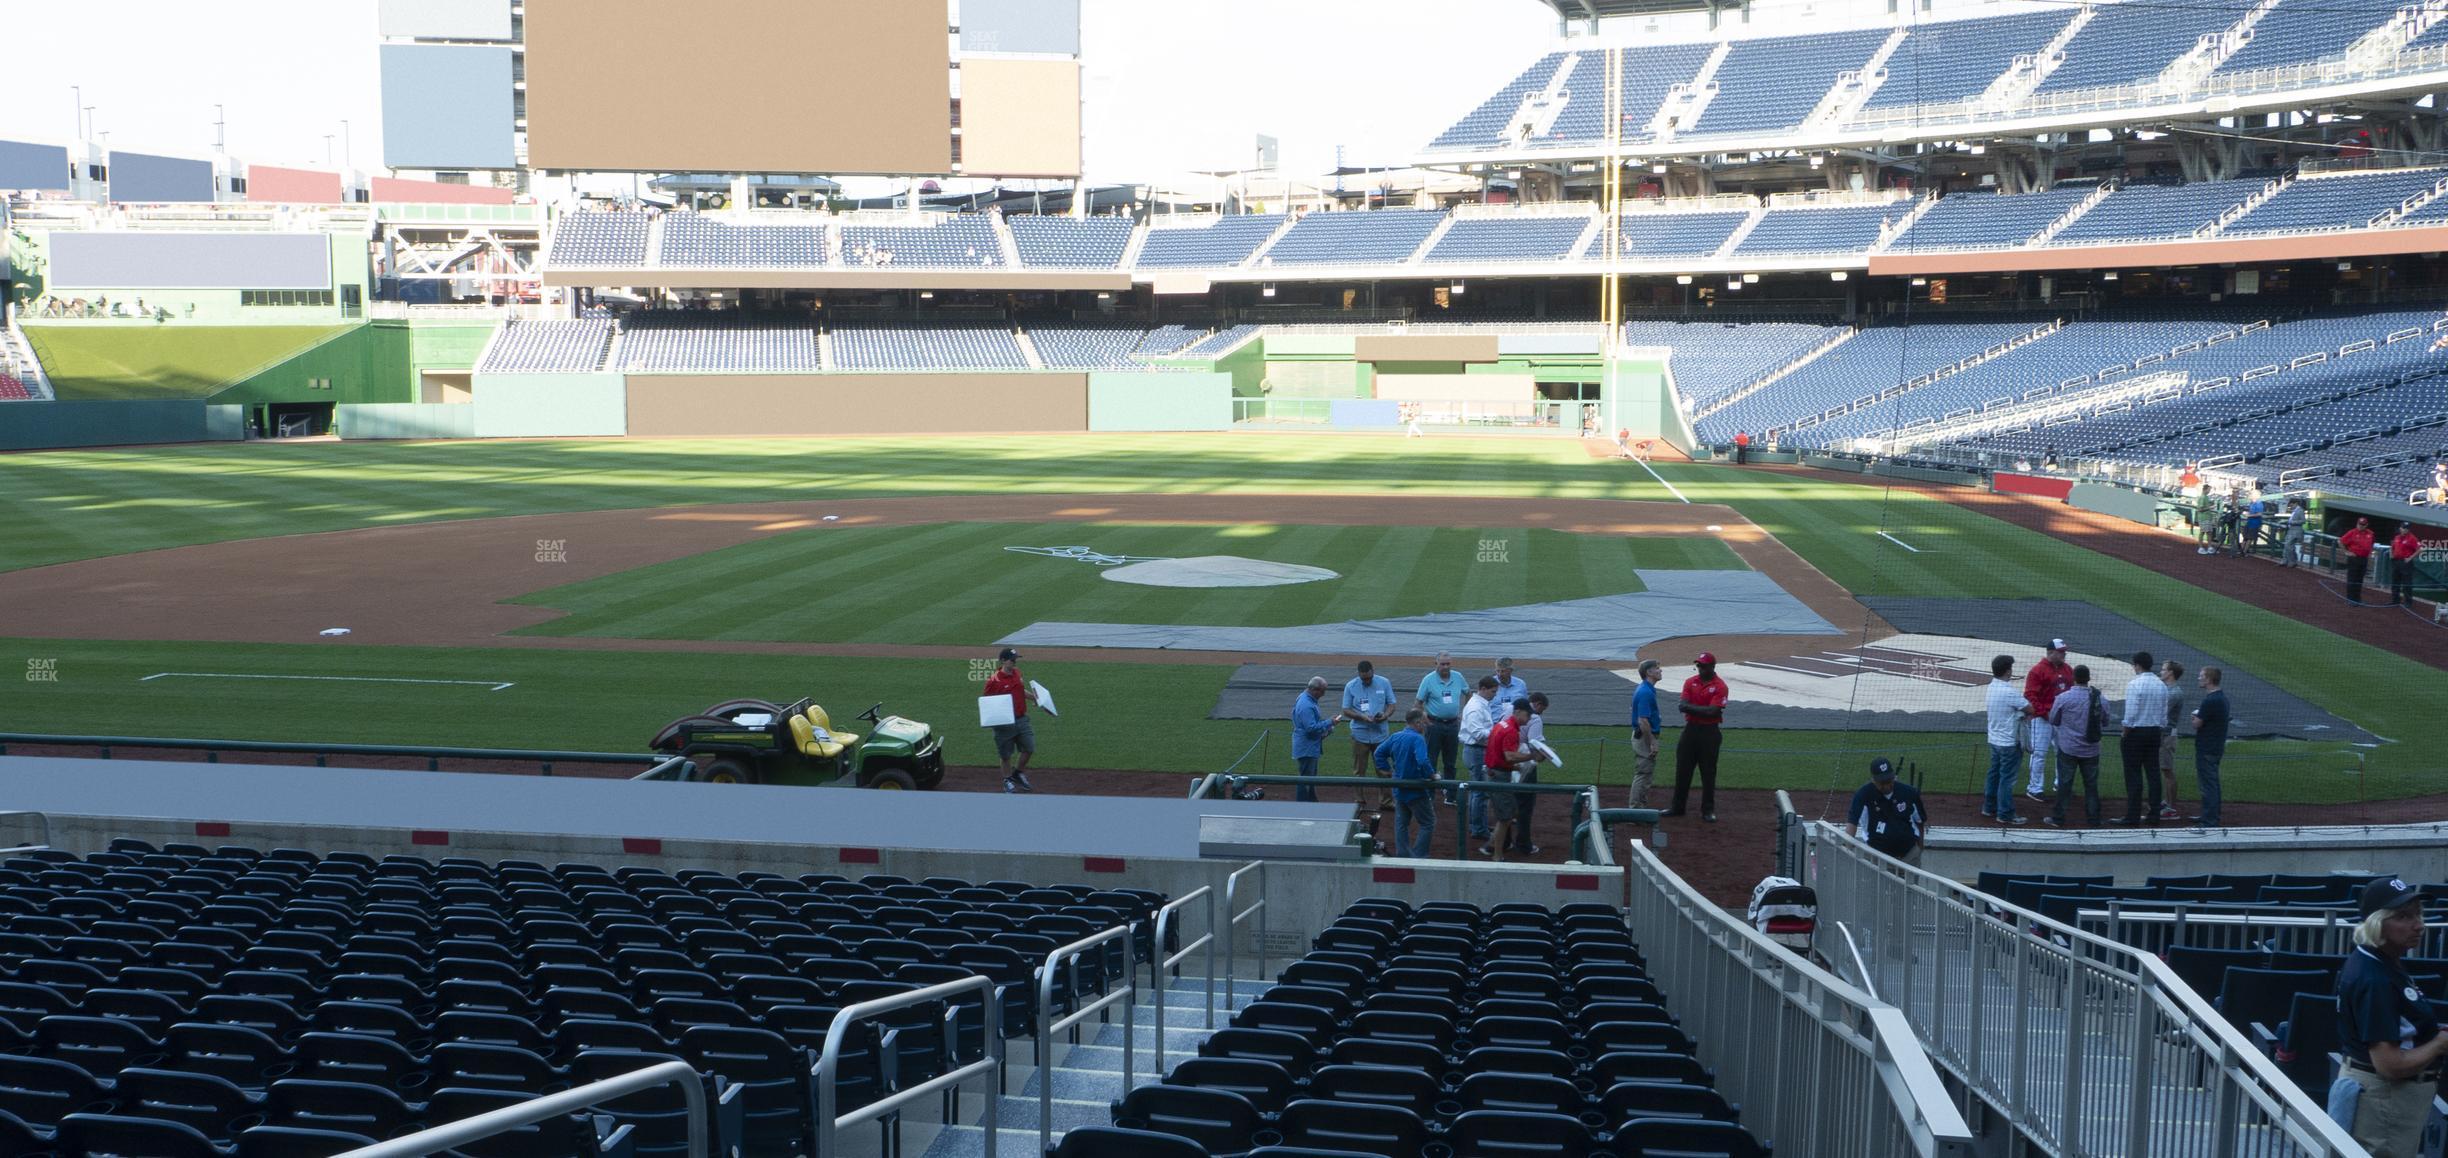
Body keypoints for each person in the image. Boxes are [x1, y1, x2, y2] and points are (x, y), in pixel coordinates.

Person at [2333, 877, 2446, 1155]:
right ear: (2377, 923)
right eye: (2404, 917)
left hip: (2387, 1103)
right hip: (2384, 1104)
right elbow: (2389, 1064)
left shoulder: (2378, 961)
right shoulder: (2375, 979)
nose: (2418, 925)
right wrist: (2440, 1044)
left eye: (2418, 914)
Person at [1667, 652, 1728, 822]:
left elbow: (1713, 712)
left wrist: (1691, 708)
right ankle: (1677, 807)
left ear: (1712, 667)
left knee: (1708, 772)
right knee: (1682, 770)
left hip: (1710, 732)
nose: (1700, 668)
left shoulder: (1720, 686)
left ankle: (1707, 810)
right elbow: (1683, 706)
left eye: (1703, 665)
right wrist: (1701, 710)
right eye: (1699, 665)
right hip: (1691, 730)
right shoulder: (1690, 682)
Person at [2044, 665, 2105, 828]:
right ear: (2089, 678)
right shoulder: (2100, 698)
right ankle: (2094, 820)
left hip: (2068, 748)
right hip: (2091, 750)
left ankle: (2058, 818)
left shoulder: (2063, 698)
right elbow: (2105, 721)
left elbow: (2053, 720)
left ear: (2073, 678)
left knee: (2065, 784)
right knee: (2091, 786)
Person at [2111, 651, 2166, 827]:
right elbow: (2164, 714)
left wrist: (2125, 732)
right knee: (2153, 773)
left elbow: (2131, 714)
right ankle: (2154, 814)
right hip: (2154, 732)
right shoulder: (2161, 685)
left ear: (2137, 665)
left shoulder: (2135, 684)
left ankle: (2132, 816)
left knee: (2133, 775)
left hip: (2136, 734)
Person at [1373, 708, 1437, 858]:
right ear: (1418, 723)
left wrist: (1386, 769)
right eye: (1424, 721)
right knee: (1428, 822)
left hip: (1399, 788)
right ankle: (1419, 856)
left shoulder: (1396, 736)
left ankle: (1403, 854)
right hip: (1416, 789)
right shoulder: (1418, 739)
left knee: (1401, 823)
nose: (1426, 725)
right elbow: (1422, 760)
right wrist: (1432, 774)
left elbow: (1378, 753)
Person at [1483, 700, 1538, 860]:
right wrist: (1532, 756)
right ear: (1518, 711)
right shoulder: (1511, 731)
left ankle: (1492, 846)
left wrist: (1515, 768)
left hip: (1495, 772)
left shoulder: (1501, 725)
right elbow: (1510, 755)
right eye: (1527, 715)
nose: (1528, 720)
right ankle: (1496, 854)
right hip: (1499, 776)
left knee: (1510, 812)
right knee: (1505, 818)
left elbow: (1498, 755)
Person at [2022, 638, 2076, 802]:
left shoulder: (2068, 669)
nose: (2064, 654)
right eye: (2061, 652)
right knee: (2039, 753)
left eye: (2064, 652)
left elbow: (2072, 692)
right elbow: (2030, 695)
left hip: (2062, 720)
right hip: (2042, 720)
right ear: (2050, 652)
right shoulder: (2037, 671)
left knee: (2064, 752)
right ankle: (2034, 788)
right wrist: (2044, 712)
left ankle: (2061, 784)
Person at [1849, 758, 1926, 863]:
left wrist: (1919, 848)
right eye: (1882, 782)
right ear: (1873, 780)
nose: (1886, 786)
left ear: (1894, 777)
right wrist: (1848, 848)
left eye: (1889, 781)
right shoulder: (1863, 796)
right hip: (1876, 858)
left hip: (1909, 857)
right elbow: (1852, 823)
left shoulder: (1909, 793)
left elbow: (1920, 821)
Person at [1343, 660, 1395, 814]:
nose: (1366, 680)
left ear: (1373, 671)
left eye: (1368, 678)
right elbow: (1345, 709)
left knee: (1384, 770)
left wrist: (1384, 715)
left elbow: (1392, 704)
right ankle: (1359, 801)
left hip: (1381, 734)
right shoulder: (1350, 686)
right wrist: (1361, 717)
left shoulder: (1384, 683)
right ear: (1358, 674)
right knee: (1359, 770)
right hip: (1360, 734)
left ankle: (1386, 801)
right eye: (1363, 678)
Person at [1981, 654, 2027, 826]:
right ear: (2008, 670)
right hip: (2008, 742)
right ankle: (2005, 814)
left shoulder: (1991, 686)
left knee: (1994, 774)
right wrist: (2020, 713)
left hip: (1994, 740)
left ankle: (1988, 807)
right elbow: (2030, 708)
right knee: (2007, 778)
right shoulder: (2009, 691)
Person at [983, 648, 1037, 794]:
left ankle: (1018, 773)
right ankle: (1007, 780)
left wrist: (1035, 698)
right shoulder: (994, 681)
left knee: (1029, 748)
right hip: (1004, 724)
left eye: (1015, 659)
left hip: (1021, 719)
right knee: (1006, 755)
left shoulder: (1017, 673)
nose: (1014, 662)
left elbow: (1021, 690)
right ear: (1003, 661)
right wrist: (994, 721)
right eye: (1012, 660)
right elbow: (987, 703)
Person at [1289, 676, 1344, 804]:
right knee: (1306, 778)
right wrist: (1330, 722)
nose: (1324, 694)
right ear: (1315, 690)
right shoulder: (1306, 704)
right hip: (1306, 747)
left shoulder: (1307, 699)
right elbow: (1311, 728)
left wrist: (1328, 727)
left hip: (1308, 746)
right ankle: (1303, 805)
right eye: (1323, 691)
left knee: (1310, 777)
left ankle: (1312, 801)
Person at [1458, 676, 1501, 840]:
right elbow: (1477, 734)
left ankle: (1477, 824)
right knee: (1480, 792)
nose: (1494, 695)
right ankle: (1478, 828)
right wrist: (1496, 732)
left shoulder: (1480, 704)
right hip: (1476, 751)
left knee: (1478, 791)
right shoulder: (1476, 707)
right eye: (1493, 691)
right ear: (1483, 688)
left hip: (1476, 751)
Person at [1416, 653, 1467, 779]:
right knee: (1431, 759)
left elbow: (1468, 693)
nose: (1445, 667)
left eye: (1448, 664)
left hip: (1453, 724)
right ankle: (1430, 794)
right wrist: (1424, 718)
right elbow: (1418, 703)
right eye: (1442, 664)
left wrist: (1464, 712)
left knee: (1450, 762)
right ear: (1436, 664)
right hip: (1434, 724)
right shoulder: (1428, 680)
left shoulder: (1458, 677)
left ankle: (1450, 794)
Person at [2191, 666, 2230, 829]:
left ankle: (2209, 821)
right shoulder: (2222, 698)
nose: (2199, 679)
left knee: (2208, 785)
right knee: (2212, 783)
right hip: (2215, 746)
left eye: (2201, 676)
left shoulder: (2210, 700)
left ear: (2208, 679)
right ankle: (2210, 815)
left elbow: (2197, 724)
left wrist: (2194, 718)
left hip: (2207, 747)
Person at [1514, 691, 1551, 856]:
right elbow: (1535, 743)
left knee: (1509, 806)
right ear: (1537, 704)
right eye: (1541, 708)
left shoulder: (1508, 711)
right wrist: (1544, 754)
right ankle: (1523, 845)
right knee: (1525, 807)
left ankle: (1502, 843)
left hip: (1508, 763)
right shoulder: (1535, 719)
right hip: (1525, 765)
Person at [1629, 659, 1663, 809]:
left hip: (1643, 736)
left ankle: (1639, 808)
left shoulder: (1645, 689)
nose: (1660, 671)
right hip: (1644, 737)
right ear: (1649, 672)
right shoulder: (1645, 692)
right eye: (1657, 668)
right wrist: (1652, 742)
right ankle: (1635, 810)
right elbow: (1643, 721)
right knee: (1643, 774)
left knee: (1646, 774)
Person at [2158, 659, 2187, 823]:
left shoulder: (2174, 693)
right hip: (2165, 734)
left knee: (2167, 770)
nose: (2161, 672)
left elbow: (2160, 710)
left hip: (2167, 736)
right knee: (2165, 769)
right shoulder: (2168, 689)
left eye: (2163, 670)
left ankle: (2171, 807)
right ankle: (2166, 802)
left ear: (2170, 673)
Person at [2344, 518, 2377, 604]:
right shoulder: (2352, 532)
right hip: (2354, 558)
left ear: (2366, 525)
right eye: (2359, 524)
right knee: (2352, 579)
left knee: (2359, 579)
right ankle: (2350, 599)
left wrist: (2370, 552)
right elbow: (2341, 541)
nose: (2360, 526)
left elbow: (2372, 543)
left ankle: (2357, 599)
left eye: (2362, 525)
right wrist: (2346, 552)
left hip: (2363, 559)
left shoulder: (2370, 534)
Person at [2390, 523, 2422, 606]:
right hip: (2396, 561)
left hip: (2405, 562)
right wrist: (2391, 555)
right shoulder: (2397, 537)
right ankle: (2395, 600)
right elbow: (2392, 546)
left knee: (2407, 583)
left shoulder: (2412, 538)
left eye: (2407, 528)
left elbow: (2419, 549)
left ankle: (2408, 602)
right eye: (2403, 528)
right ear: (2400, 528)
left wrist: (2410, 558)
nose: (2405, 529)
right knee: (2395, 581)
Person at [2280, 497, 2308, 568]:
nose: (2291, 506)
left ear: (2296, 503)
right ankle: (2286, 561)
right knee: (2288, 546)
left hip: (2296, 531)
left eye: (2292, 505)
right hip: (2291, 530)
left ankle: (2292, 561)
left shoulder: (2300, 510)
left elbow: (2303, 521)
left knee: (2288, 546)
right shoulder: (2295, 510)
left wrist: (2292, 522)